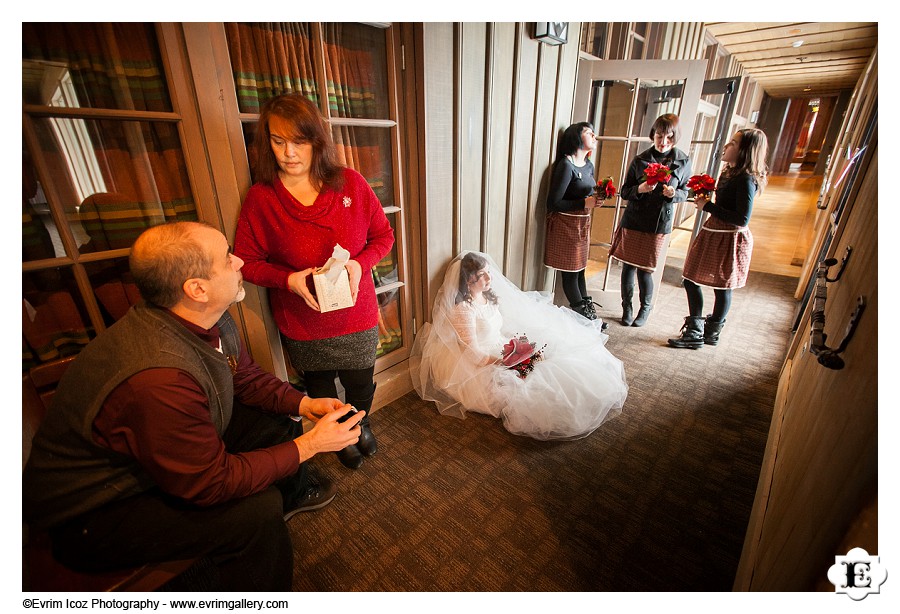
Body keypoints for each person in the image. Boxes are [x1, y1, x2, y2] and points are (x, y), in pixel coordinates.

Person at [22, 221, 365, 591]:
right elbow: (210, 484)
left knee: (274, 420)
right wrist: (310, 445)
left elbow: (244, 377)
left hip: (156, 457)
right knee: (256, 512)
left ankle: (281, 510)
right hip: (96, 512)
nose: (239, 263)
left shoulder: (204, 316)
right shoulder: (157, 377)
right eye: (227, 257)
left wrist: (305, 402)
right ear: (197, 288)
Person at [235, 93, 394, 470]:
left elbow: (383, 236)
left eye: (300, 141)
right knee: (319, 387)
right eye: (278, 141)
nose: (288, 152)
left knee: (360, 384)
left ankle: (360, 424)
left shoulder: (351, 185)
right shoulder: (261, 199)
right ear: (267, 142)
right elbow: (246, 263)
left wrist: (360, 264)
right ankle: (335, 433)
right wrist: (287, 280)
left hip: (356, 316)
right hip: (303, 322)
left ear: (317, 141)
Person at [410, 251, 628, 440]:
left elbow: (497, 329)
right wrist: (506, 362)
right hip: (477, 365)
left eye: (488, 271)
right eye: (482, 275)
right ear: (468, 281)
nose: (489, 277)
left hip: (499, 347)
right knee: (531, 388)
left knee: (550, 362)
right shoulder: (463, 311)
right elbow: (472, 354)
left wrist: (517, 348)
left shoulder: (486, 297)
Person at [668, 128, 769, 349]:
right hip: (714, 232)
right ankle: (698, 330)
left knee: (722, 286)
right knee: (691, 278)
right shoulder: (728, 172)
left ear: (744, 151)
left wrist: (709, 206)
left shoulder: (745, 179)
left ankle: (708, 332)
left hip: (730, 237)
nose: (726, 146)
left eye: (732, 143)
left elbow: (742, 218)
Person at [610, 113, 692, 327]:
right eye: (659, 136)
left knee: (646, 270)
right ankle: (626, 308)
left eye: (669, 137)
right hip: (635, 219)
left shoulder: (683, 161)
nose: (663, 142)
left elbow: (686, 192)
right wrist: (640, 188)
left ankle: (645, 309)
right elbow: (625, 191)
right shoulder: (640, 159)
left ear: (675, 137)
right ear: (653, 135)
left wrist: (675, 194)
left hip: (658, 222)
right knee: (628, 267)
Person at [543, 121, 608, 329]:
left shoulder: (588, 165)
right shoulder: (566, 165)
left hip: (582, 225)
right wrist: (584, 202)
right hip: (565, 225)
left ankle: (587, 315)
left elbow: (587, 193)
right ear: (576, 138)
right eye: (589, 133)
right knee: (570, 272)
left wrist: (596, 199)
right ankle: (585, 319)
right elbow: (552, 203)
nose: (594, 136)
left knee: (580, 270)